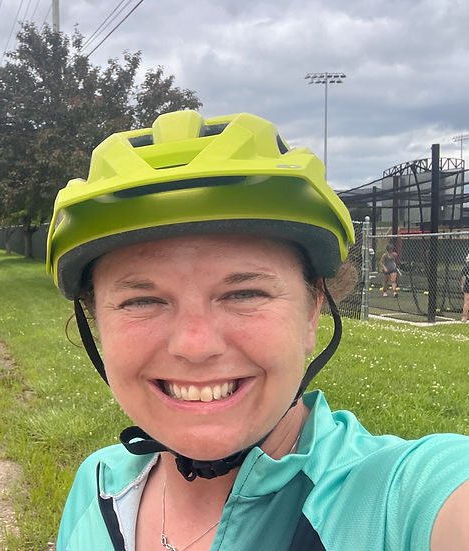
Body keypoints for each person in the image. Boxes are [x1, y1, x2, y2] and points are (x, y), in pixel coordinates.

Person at [46, 110, 469, 550]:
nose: (195, 345)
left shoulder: (399, 498)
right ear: (98, 325)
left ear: (312, 313)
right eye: (142, 301)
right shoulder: (96, 487)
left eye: (244, 293)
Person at [461, 253, 469, 322]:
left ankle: (464, 317)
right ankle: (464, 316)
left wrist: (462, 285)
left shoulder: (466, 268)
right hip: (467, 285)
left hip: (467, 285)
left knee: (466, 301)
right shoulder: (466, 268)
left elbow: (464, 278)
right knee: (466, 301)